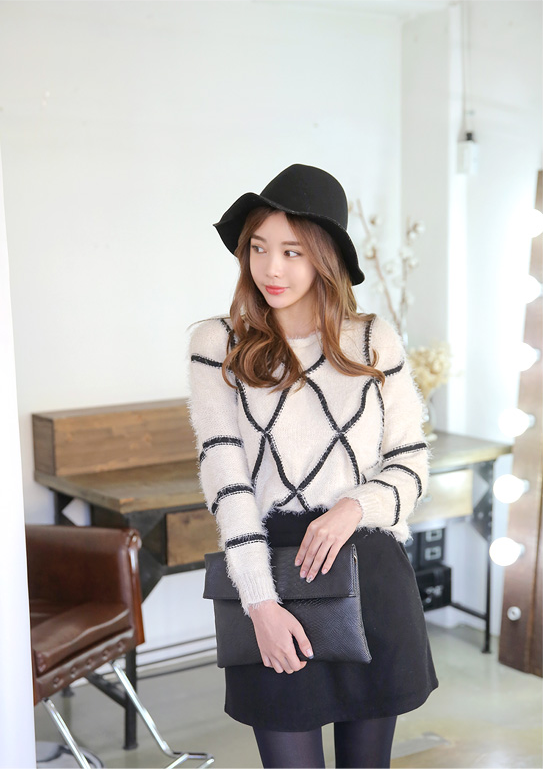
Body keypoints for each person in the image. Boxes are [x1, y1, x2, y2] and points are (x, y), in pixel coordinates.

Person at [188, 164, 439, 769]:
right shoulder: (216, 345)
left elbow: (410, 462)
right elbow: (228, 484)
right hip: (272, 576)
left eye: (292, 251)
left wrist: (355, 507)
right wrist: (259, 605)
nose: (270, 268)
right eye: (258, 248)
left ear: (325, 257)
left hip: (369, 572)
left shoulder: (373, 340)